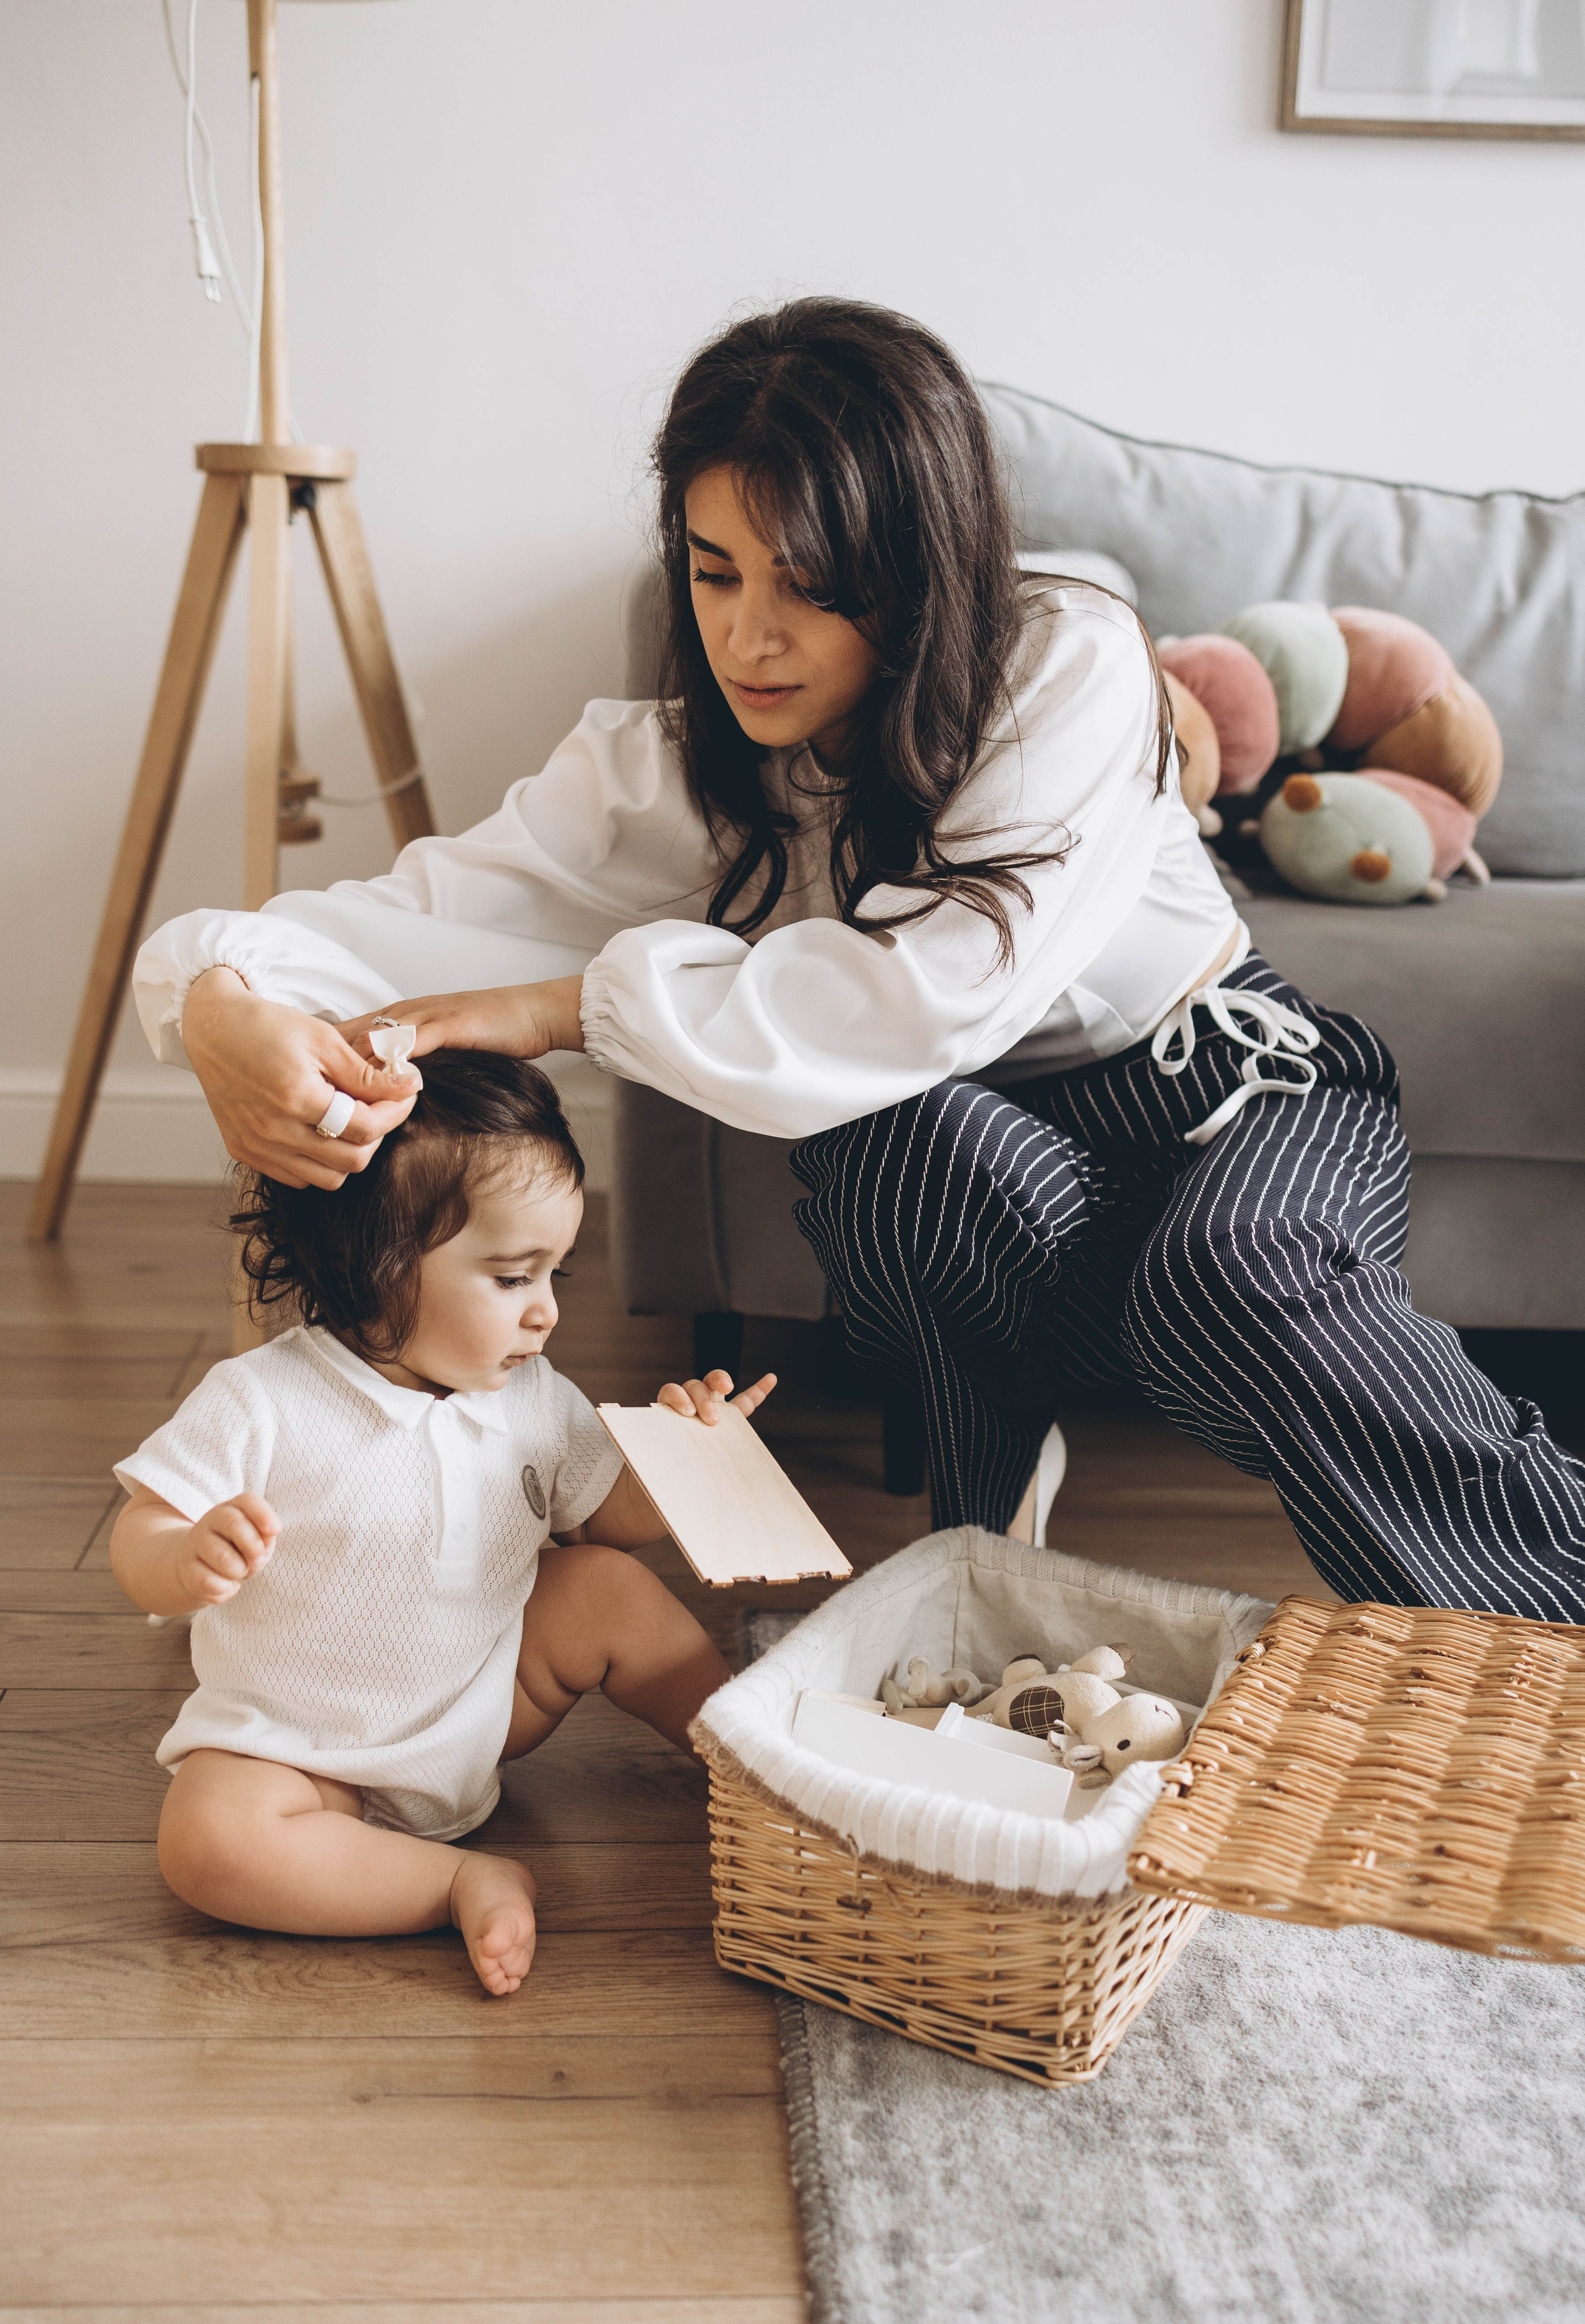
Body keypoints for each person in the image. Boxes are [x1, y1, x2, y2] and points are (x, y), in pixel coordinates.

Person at [135, 297, 1585, 1626]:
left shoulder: (1063, 665)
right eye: (713, 574)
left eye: (812, 587)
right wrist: (212, 1006)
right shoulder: (665, 776)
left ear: (921, 569)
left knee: (1222, 1275)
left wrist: (567, 1004)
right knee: (887, 1142)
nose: (748, 639)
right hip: (1008, 1164)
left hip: (1234, 1097)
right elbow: (370, 927)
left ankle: (1549, 1601)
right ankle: (987, 1548)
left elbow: (930, 991)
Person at [110, 1052, 761, 1996]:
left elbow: (602, 1523)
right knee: (205, 1840)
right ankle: (458, 1880)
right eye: (510, 1276)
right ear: (378, 1267)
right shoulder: (264, 1398)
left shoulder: (530, 1392)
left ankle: (754, 1761)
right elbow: (143, 1528)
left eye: (554, 1271)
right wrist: (183, 1556)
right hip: (307, 1751)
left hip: (484, 1704)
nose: (546, 1310)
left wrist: (678, 1457)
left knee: (606, 1592)